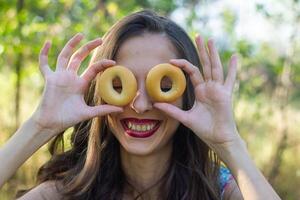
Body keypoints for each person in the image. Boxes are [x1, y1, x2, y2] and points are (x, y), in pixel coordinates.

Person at [0, 10, 280, 200]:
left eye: (164, 86)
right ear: (101, 91)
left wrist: (229, 143)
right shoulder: (67, 192)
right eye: (121, 86)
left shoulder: (218, 189)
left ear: (188, 95)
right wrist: (39, 126)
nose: (141, 105)